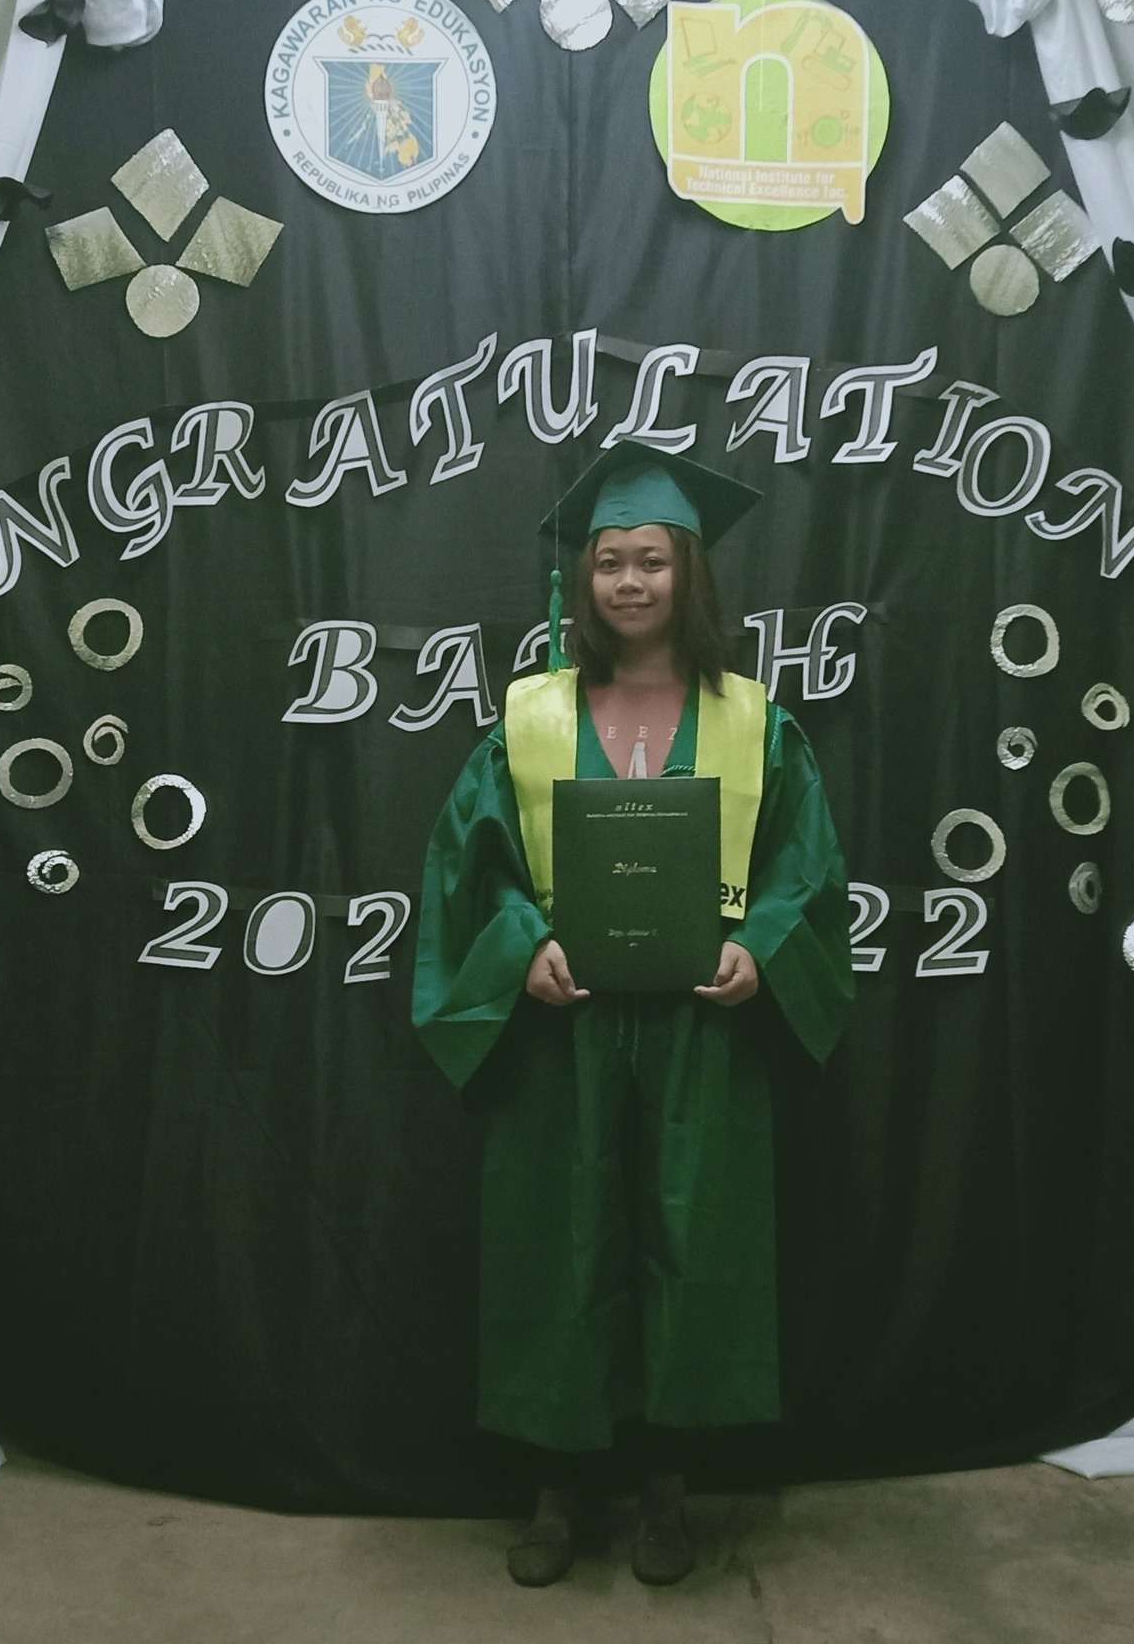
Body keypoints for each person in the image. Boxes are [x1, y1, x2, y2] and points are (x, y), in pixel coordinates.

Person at [412, 443, 854, 1588]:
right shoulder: (531, 714)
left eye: (651, 559)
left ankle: (667, 1488)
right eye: (609, 560)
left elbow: (806, 867)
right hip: (565, 1028)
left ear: (688, 572)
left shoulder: (754, 718)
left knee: (690, 1249)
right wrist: (524, 943)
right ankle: (558, 1491)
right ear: (585, 578)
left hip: (703, 1030)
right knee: (561, 1249)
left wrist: (762, 949)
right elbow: (468, 867)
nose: (629, 580)